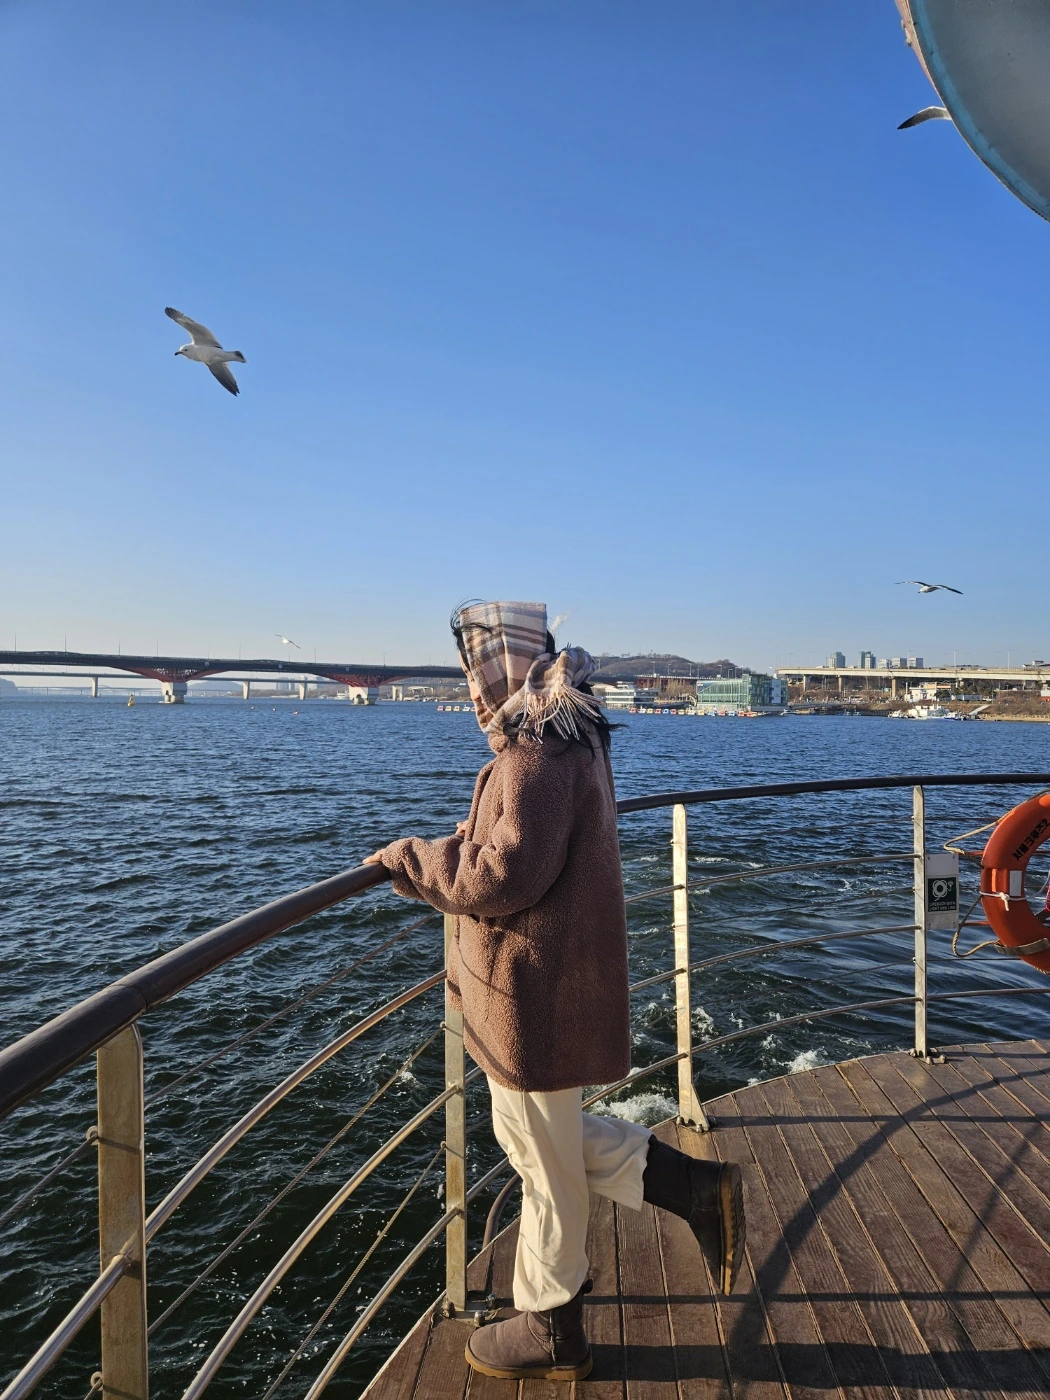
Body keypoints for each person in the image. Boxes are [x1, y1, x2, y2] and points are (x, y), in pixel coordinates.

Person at [365, 600, 745, 1383]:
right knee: (537, 1141)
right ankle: (692, 1188)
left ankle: (552, 1327)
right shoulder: (567, 729)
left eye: (476, 671)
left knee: (543, 1164)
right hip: (548, 981)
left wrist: (413, 859)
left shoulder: (535, 747)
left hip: (530, 991)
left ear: (500, 670)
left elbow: (504, 872)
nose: (473, 688)